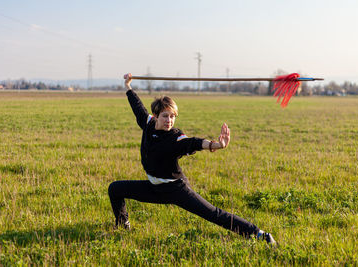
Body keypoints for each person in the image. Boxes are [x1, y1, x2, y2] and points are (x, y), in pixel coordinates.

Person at [108, 73, 276, 244]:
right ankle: (123, 226)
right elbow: (137, 106)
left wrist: (217, 145)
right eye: (165, 116)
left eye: (172, 116)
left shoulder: (175, 138)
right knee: (115, 189)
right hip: (154, 188)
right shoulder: (148, 124)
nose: (169, 120)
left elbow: (193, 143)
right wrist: (128, 86)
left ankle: (260, 234)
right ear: (156, 115)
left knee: (213, 214)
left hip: (176, 190)